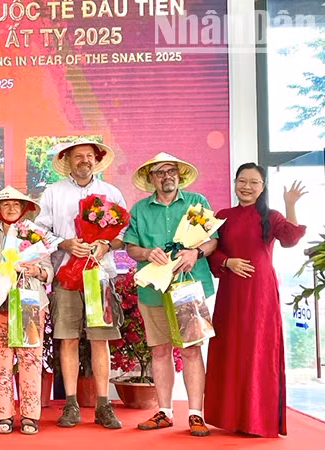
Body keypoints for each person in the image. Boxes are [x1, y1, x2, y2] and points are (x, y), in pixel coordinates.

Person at [204, 164, 307, 437]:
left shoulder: (270, 217)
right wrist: (227, 261)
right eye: (242, 181)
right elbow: (210, 252)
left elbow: (290, 239)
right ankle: (232, 417)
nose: (246, 187)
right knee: (231, 349)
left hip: (261, 295)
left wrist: (289, 205)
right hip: (231, 293)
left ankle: (257, 419)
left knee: (259, 351)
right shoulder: (222, 216)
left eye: (253, 182)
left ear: (262, 187)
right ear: (235, 182)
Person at [123, 153, 217, 437]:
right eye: (160, 172)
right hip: (152, 290)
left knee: (191, 350)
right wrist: (146, 253)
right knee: (159, 350)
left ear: (179, 175)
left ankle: (196, 414)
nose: (167, 176)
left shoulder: (196, 203)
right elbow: (130, 248)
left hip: (188, 286)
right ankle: (163, 411)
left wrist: (195, 252)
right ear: (151, 178)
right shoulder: (139, 209)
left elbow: (213, 240)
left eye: (171, 171)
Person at [34, 140, 125, 429]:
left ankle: (103, 405)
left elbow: (125, 233)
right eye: (78, 157)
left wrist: (106, 245)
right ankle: (71, 405)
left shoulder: (111, 193)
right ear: (68, 161)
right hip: (65, 275)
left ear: (96, 160)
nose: (84, 160)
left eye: (89, 156)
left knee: (100, 339)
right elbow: (38, 230)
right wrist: (64, 243)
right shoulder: (53, 192)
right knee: (68, 338)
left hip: (100, 275)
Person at [0, 186, 52, 435]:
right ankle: (2, 415)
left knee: (30, 360)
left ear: (25, 209)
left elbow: (48, 271)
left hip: (29, 303)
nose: (12, 208)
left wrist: (37, 271)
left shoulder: (35, 233)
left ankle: (29, 415)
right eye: (6, 205)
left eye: (16, 204)